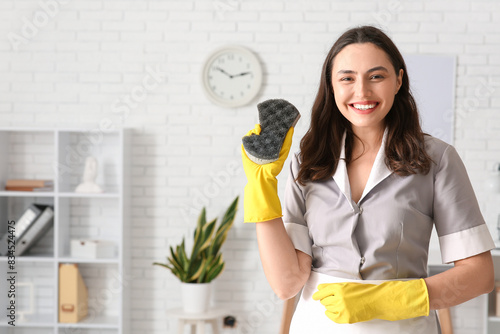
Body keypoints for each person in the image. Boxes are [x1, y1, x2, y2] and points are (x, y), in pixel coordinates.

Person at [241, 25, 495, 333]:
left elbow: (480, 275)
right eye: (347, 78)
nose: (362, 91)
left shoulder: (436, 159)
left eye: (376, 76)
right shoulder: (307, 163)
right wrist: (260, 186)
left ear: (398, 80)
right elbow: (286, 284)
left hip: (403, 326)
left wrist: (389, 299)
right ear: (331, 86)